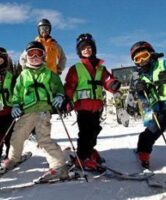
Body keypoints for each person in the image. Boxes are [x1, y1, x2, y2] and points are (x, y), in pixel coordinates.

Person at [2, 41, 68, 182]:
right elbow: (17, 93)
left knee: (43, 139)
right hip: (27, 111)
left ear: (44, 56)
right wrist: (15, 105)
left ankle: (58, 167)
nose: (35, 56)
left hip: (43, 111)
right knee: (17, 135)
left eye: (39, 53)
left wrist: (59, 96)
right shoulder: (23, 75)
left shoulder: (49, 74)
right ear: (26, 56)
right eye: (32, 53)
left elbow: (58, 88)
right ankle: (13, 158)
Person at [64, 33, 121, 171]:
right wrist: (67, 99)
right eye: (83, 48)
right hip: (83, 107)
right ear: (79, 52)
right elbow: (70, 85)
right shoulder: (76, 68)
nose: (86, 50)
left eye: (89, 47)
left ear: (93, 49)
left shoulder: (101, 68)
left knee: (95, 130)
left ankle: (90, 151)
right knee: (85, 133)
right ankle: (82, 157)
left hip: (97, 107)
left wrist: (112, 85)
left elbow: (107, 80)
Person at [130, 41, 166, 168]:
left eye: (144, 56)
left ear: (150, 54)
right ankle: (143, 154)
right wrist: (140, 91)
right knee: (148, 134)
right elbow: (143, 98)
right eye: (137, 58)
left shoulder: (164, 63)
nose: (142, 61)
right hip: (160, 110)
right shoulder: (141, 77)